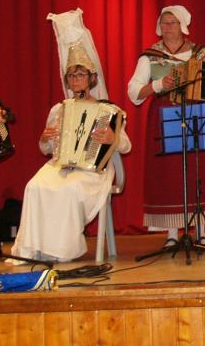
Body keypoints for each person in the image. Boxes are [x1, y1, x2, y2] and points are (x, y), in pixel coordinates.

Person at [11, 23, 130, 263]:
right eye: (71, 75)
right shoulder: (59, 109)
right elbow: (45, 150)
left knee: (70, 189)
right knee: (34, 186)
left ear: (91, 78)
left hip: (92, 170)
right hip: (60, 165)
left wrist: (112, 139)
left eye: (81, 74)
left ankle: (62, 251)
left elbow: (126, 146)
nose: (75, 80)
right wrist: (45, 138)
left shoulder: (108, 109)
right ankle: (35, 250)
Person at [126, 5, 205, 242]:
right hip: (165, 117)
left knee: (199, 172)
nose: (167, 28)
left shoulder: (203, 54)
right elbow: (133, 93)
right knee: (168, 175)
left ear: (183, 26)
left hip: (196, 115)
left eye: (172, 23)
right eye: (164, 23)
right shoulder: (150, 56)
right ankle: (172, 234)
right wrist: (157, 85)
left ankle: (201, 232)